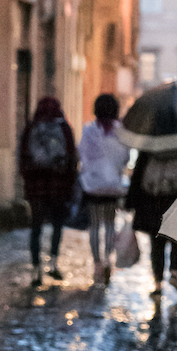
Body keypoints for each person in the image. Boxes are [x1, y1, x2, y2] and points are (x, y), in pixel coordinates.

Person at [126, 142, 177, 296]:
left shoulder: (150, 142)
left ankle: (157, 284)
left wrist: (131, 201)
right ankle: (174, 273)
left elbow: (139, 171)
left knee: (156, 242)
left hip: (153, 198)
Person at [18, 96, 77, 285]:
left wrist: (28, 180)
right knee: (57, 227)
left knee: (36, 228)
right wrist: (69, 183)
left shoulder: (30, 128)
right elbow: (72, 158)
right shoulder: (64, 129)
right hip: (58, 186)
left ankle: (36, 271)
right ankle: (53, 264)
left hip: (36, 188)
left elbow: (22, 158)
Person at [78, 93, 129, 283]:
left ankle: (97, 263)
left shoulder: (89, 130)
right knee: (109, 223)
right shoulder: (121, 132)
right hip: (113, 185)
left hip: (92, 185)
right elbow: (125, 157)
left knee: (94, 224)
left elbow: (82, 154)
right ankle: (108, 259)